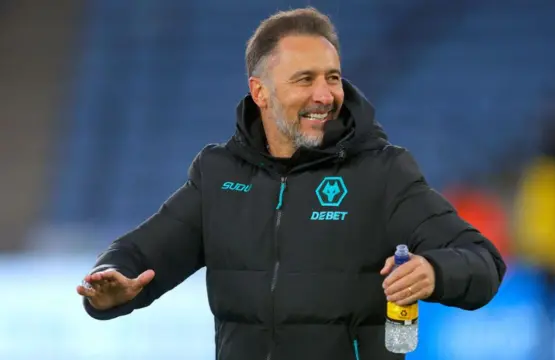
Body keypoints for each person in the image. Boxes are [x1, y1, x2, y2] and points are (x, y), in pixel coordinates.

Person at [77, 7, 506, 360]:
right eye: (305, 79)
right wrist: (109, 285)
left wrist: (433, 271)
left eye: (332, 77)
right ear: (260, 92)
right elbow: (137, 253)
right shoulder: (218, 174)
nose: (325, 94)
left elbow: (483, 261)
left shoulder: (383, 172)